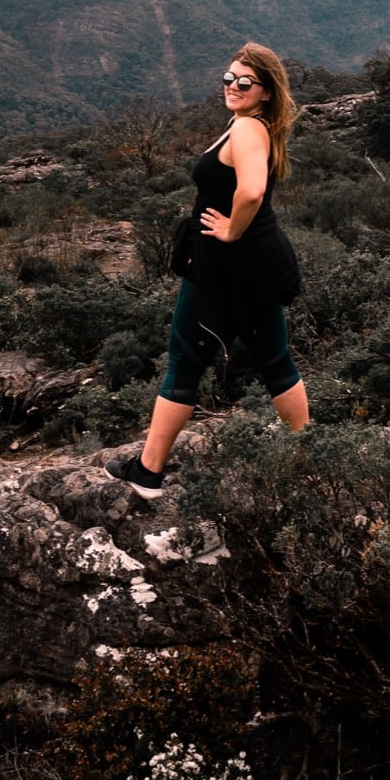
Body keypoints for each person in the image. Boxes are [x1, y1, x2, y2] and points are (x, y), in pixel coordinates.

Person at [107, 42, 309, 498]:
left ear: (266, 93)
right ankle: (311, 454)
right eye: (228, 78)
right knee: (275, 360)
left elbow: (252, 191)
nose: (232, 87)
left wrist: (231, 232)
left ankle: (148, 472)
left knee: (183, 361)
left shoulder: (248, 131)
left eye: (245, 82)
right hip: (256, 265)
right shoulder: (249, 125)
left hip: (228, 266)